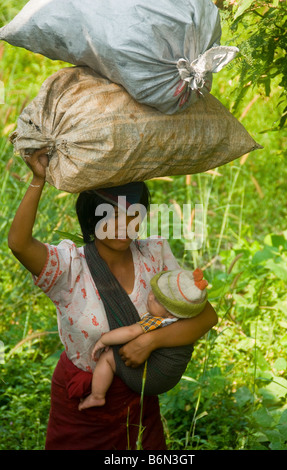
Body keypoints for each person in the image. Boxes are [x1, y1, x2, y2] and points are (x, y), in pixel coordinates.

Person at [8, 148, 218, 450]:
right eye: (112, 216)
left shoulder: (154, 254)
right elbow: (19, 243)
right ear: (91, 217)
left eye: (133, 215)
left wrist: (151, 341)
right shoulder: (68, 266)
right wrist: (38, 179)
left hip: (138, 399)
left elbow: (207, 316)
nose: (124, 225)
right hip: (83, 407)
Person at [78, 267, 209, 410]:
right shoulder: (183, 322)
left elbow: (129, 332)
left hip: (154, 379)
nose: (151, 297)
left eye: (158, 301)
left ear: (171, 315)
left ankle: (97, 396)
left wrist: (103, 340)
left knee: (107, 358)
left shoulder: (156, 321)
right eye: (153, 291)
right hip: (169, 378)